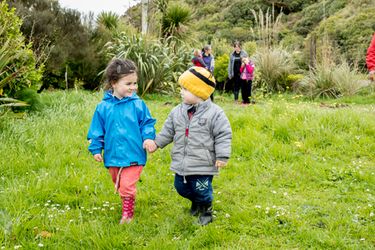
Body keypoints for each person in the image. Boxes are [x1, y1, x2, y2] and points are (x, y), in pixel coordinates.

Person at [147, 66, 232, 226]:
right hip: (182, 162)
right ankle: (197, 202)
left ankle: (206, 210)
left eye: (185, 89)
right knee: (181, 187)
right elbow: (168, 131)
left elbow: (223, 134)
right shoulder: (177, 112)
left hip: (203, 164)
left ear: (199, 92)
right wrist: (157, 143)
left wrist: (222, 156)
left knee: (202, 190)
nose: (181, 92)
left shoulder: (215, 114)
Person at [87, 58, 157, 224]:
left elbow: (147, 123)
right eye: (128, 84)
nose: (133, 87)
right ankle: (126, 199)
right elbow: (97, 130)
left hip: (134, 153)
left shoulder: (138, 105)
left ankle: (127, 214)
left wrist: (148, 138)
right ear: (114, 83)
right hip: (113, 155)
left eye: (135, 83)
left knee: (126, 185)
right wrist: (96, 148)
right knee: (118, 183)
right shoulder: (103, 107)